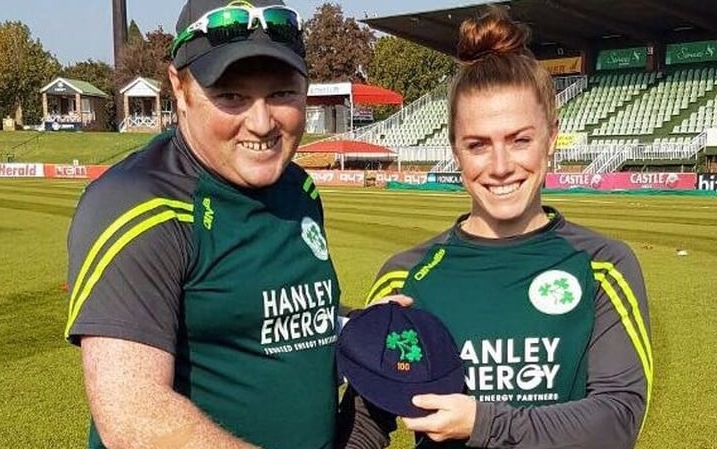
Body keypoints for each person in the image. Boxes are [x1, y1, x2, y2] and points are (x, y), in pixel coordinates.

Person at [343, 6, 652, 449]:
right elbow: (365, 427)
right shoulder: (405, 276)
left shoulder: (602, 265)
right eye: (478, 145)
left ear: (551, 138)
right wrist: (357, 345)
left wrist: (483, 422)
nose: (501, 166)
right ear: (456, 150)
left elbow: (618, 419)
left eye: (520, 140)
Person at [64, 1, 343, 447]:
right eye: (231, 96)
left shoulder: (299, 189)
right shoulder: (135, 206)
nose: (262, 123)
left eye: (281, 94)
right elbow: (134, 418)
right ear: (180, 87)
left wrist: (365, 326)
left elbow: (276, 317)